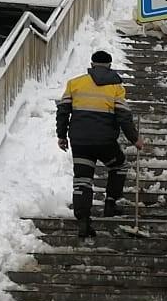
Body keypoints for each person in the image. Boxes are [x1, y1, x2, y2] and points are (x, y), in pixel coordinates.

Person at [56, 50, 146, 239]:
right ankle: (111, 204)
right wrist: (134, 139)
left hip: (80, 141)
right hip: (105, 142)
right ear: (110, 65)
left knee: (82, 180)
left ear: (92, 64)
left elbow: (63, 111)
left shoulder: (75, 83)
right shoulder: (115, 86)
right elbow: (123, 116)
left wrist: (62, 136)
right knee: (119, 165)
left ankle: (83, 220)